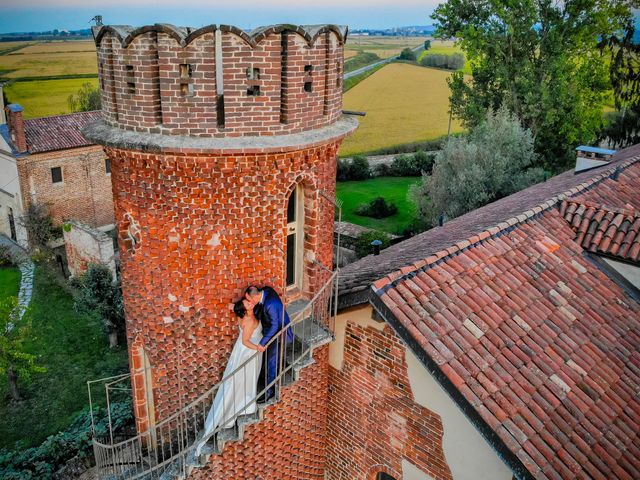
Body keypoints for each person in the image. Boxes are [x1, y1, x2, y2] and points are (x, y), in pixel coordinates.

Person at [193, 299, 264, 458]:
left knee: (238, 381)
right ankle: (241, 405)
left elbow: (232, 307)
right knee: (243, 379)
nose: (250, 303)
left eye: (248, 302)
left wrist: (233, 306)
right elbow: (246, 341)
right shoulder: (250, 320)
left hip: (239, 351)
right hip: (247, 352)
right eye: (247, 304)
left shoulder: (241, 314)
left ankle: (237, 405)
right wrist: (258, 348)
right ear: (245, 310)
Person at [245, 285, 293, 402]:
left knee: (271, 361)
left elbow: (275, 326)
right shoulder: (266, 291)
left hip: (278, 334)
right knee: (268, 359)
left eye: (249, 300)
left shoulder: (270, 304)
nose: (249, 302)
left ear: (255, 296)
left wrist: (262, 343)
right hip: (270, 330)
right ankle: (264, 378)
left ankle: (269, 392)